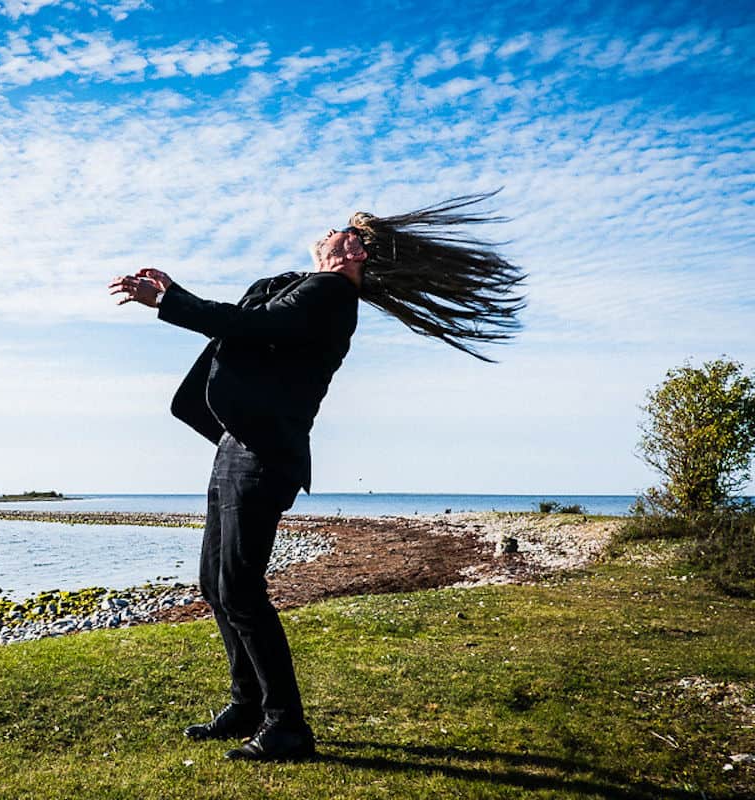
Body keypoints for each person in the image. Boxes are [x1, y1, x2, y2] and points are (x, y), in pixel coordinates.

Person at [107, 192, 526, 762]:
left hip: (263, 453)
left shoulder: (330, 293)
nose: (330, 231)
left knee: (240, 589)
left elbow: (250, 324)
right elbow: (252, 317)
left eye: (340, 231)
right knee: (216, 582)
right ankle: (249, 703)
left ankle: (287, 726)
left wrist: (169, 299)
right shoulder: (316, 287)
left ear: (353, 249)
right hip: (238, 444)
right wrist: (179, 291)